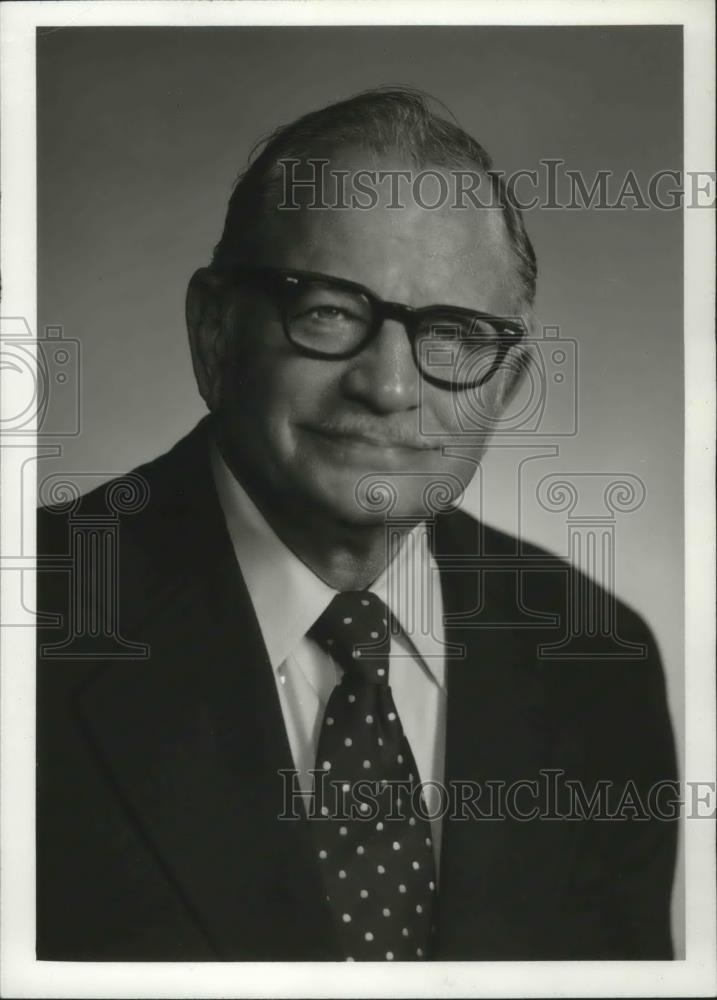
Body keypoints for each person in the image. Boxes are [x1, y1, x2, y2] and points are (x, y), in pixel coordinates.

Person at [36, 88, 677, 962]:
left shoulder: (596, 662)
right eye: (329, 311)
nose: (386, 385)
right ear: (214, 331)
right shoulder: (35, 619)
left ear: (509, 385)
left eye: (451, 335)